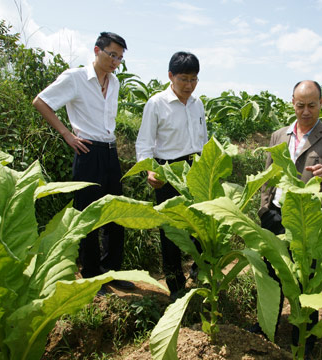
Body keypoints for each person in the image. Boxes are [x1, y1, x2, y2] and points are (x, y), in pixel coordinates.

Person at [32, 32, 134, 294]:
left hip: (110, 152)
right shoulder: (75, 77)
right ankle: (90, 274)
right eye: (112, 55)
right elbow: (41, 102)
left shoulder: (115, 83)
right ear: (97, 50)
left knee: (116, 212)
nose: (115, 62)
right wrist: (67, 135)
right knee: (87, 215)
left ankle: (111, 272)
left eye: (120, 58)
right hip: (87, 152)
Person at [255, 80, 322, 356]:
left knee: (305, 279)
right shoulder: (278, 135)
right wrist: (264, 208)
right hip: (275, 213)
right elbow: (267, 175)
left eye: (311, 105)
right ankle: (266, 326)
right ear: (292, 103)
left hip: (308, 219)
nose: (305, 111)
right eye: (300, 105)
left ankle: (304, 339)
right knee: (270, 274)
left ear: (321, 103)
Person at [135, 51, 207, 299]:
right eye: (184, 79)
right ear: (171, 76)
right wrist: (150, 170)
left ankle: (200, 275)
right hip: (167, 170)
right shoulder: (157, 103)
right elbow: (144, 142)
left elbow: (203, 140)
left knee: (200, 225)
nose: (189, 85)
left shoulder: (198, 104)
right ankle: (175, 287)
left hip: (195, 168)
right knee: (171, 231)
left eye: (194, 79)